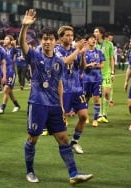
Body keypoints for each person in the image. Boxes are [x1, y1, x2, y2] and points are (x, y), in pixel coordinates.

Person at [19, 9, 93, 185]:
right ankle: (29, 172)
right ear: (41, 41)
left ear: (55, 41)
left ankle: (74, 173)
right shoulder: (35, 56)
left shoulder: (59, 62)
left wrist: (61, 108)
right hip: (37, 104)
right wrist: (24, 27)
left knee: (64, 139)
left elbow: (59, 84)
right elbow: (22, 44)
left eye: (50, 39)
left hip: (53, 106)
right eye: (44, 39)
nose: (47, 42)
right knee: (33, 139)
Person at [55, 25, 89, 154]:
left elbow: (82, 67)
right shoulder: (57, 50)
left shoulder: (76, 50)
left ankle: (74, 142)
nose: (70, 37)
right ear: (60, 37)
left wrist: (83, 55)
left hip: (77, 88)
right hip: (63, 90)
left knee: (84, 116)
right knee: (61, 121)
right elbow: (65, 62)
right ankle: (64, 145)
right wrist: (78, 50)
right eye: (67, 35)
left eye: (71, 35)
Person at [83, 34, 105, 127]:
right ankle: (86, 117)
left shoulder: (99, 52)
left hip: (97, 79)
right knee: (86, 99)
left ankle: (95, 119)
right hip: (86, 79)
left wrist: (97, 65)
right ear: (87, 41)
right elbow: (83, 67)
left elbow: (103, 64)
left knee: (97, 99)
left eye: (94, 39)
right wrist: (89, 65)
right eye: (91, 38)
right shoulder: (84, 53)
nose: (93, 40)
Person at [94, 27, 115, 123]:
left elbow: (111, 58)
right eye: (94, 32)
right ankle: (99, 114)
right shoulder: (93, 44)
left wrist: (112, 72)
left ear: (101, 34)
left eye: (96, 31)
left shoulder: (109, 44)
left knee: (106, 93)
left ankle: (104, 114)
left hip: (106, 72)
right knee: (98, 95)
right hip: (96, 73)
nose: (95, 33)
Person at [0, 35, 21, 114]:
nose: (4, 40)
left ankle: (2, 107)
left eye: (6, 39)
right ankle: (17, 105)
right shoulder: (2, 49)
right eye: (4, 38)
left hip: (11, 72)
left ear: (10, 41)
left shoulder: (13, 49)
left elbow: (16, 51)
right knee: (9, 91)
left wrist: (14, 44)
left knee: (6, 89)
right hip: (3, 72)